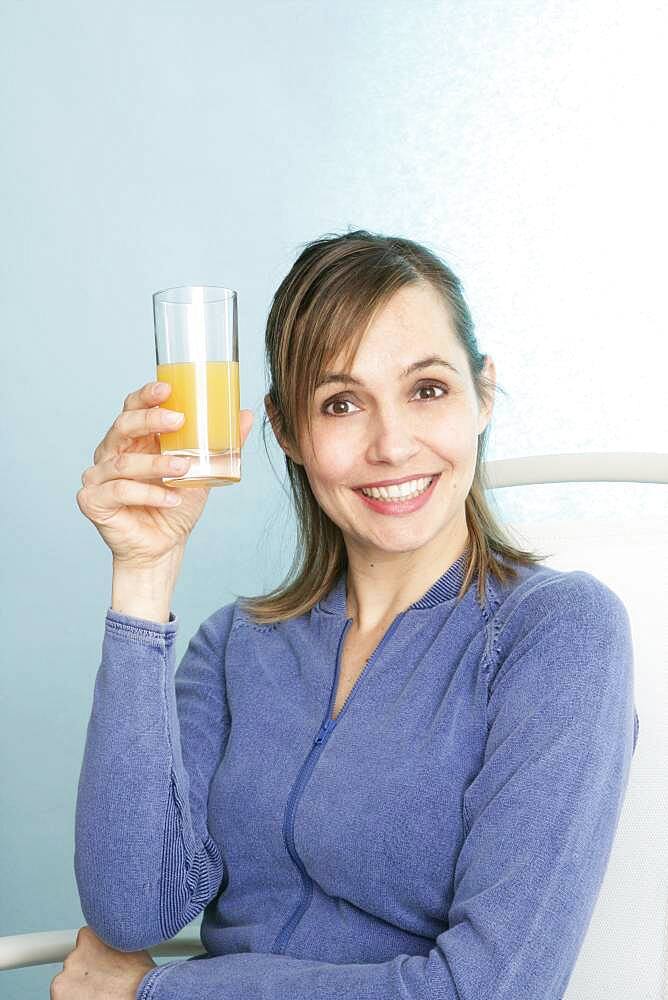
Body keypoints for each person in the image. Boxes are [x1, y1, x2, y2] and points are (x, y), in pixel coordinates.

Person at [55, 231, 639, 1000]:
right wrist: (143, 571)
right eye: (340, 403)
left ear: (483, 395)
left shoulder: (557, 633)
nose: (392, 445)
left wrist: (156, 995)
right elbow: (131, 912)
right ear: (288, 430)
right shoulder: (237, 645)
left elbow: (497, 989)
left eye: (427, 389)